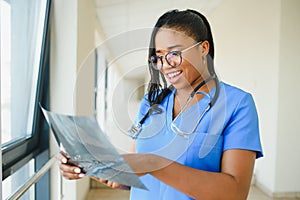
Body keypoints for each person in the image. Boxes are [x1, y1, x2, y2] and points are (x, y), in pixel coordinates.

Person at [57, 9, 263, 200]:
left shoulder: (237, 105)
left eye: (174, 54)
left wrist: (152, 163)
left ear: (203, 48)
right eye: (159, 57)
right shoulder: (151, 103)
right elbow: (138, 175)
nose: (165, 65)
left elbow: (235, 192)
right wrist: (96, 167)